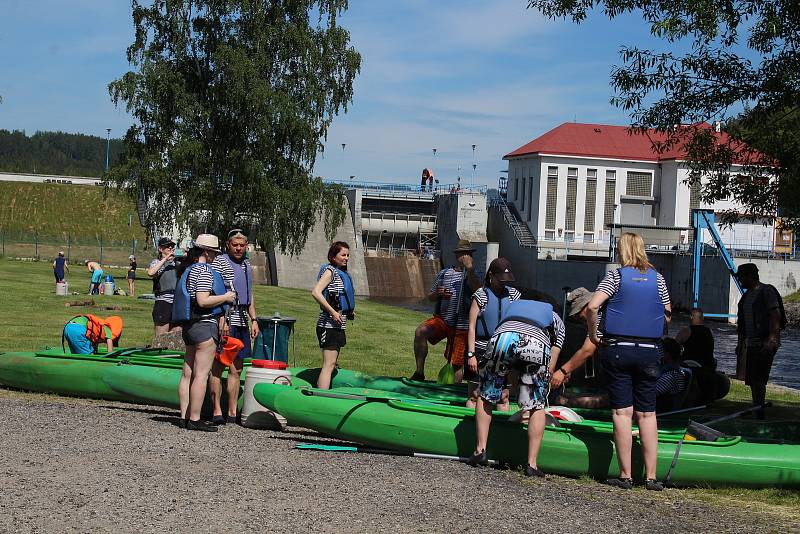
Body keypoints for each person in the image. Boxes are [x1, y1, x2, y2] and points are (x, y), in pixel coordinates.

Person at [585, 232, 671, 491]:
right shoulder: (658, 279)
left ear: (622, 251)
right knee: (647, 413)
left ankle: (625, 475)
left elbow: (592, 307)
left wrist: (593, 334)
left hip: (618, 348)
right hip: (649, 351)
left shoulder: (615, 276)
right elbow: (667, 315)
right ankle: (652, 477)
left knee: (622, 412)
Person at [469, 298, 565, 477]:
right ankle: (532, 464)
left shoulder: (513, 309)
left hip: (503, 337)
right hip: (537, 343)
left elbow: (509, 353)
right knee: (536, 405)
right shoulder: (557, 322)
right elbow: (552, 361)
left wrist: (509, 385)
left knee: (486, 394)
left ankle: (480, 449)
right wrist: (535, 388)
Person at [172, 234, 236, 432]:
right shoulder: (205, 271)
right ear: (207, 252)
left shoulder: (188, 270)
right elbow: (202, 300)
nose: (216, 257)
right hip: (204, 325)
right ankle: (195, 418)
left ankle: (184, 416)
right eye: (215, 253)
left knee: (187, 373)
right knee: (201, 374)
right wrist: (226, 297)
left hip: (189, 326)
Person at [209, 229, 260, 424]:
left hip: (242, 320)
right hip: (225, 318)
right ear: (228, 245)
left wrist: (253, 319)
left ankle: (232, 411)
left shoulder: (247, 263)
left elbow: (249, 293)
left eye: (242, 245)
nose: (238, 249)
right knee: (219, 366)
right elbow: (215, 289)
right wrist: (222, 319)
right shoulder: (220, 262)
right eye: (235, 245)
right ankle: (216, 410)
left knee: (237, 369)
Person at [411, 239, 480, 382]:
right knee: (420, 331)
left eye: (469, 254)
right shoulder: (444, 273)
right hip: (442, 320)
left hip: (462, 325)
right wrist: (437, 294)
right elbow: (430, 296)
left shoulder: (475, 273)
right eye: (463, 254)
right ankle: (419, 372)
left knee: (455, 362)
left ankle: (452, 389)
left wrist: (470, 269)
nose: (466, 257)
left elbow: (478, 291)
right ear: (457, 256)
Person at [465, 257, 521, 410]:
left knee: (503, 396)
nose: (503, 282)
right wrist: (471, 355)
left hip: (505, 350)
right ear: (491, 275)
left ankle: (500, 429)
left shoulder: (514, 295)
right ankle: (471, 427)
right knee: (476, 394)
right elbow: (471, 326)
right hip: (481, 349)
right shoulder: (481, 295)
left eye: (506, 279)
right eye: (500, 279)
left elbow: (518, 323)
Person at [735, 263, 785, 420]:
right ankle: (756, 406)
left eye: (741, 277)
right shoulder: (746, 297)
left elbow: (775, 314)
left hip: (765, 341)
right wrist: (740, 343)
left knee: (759, 378)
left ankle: (759, 411)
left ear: (750, 276)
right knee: (752, 378)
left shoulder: (766, 291)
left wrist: (772, 338)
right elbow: (742, 324)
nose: (740, 280)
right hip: (752, 342)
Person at [311, 241, 356, 389]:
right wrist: (332, 311)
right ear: (333, 256)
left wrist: (348, 311)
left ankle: (324, 391)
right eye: (343, 255)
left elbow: (339, 296)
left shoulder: (341, 272)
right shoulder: (330, 271)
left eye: (348, 255)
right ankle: (321, 397)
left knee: (332, 363)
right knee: (329, 364)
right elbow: (316, 292)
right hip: (327, 324)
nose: (346, 258)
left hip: (337, 324)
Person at [147, 237, 180, 336]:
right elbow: (151, 272)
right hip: (163, 303)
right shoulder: (156, 262)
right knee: (161, 336)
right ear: (161, 249)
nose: (170, 248)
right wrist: (165, 259)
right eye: (167, 246)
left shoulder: (178, 263)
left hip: (177, 303)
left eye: (172, 246)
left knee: (177, 334)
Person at [656, 337, 692, 412]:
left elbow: (648, 394)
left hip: (662, 412)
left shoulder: (671, 375)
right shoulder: (674, 370)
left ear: (667, 355)